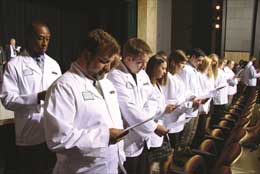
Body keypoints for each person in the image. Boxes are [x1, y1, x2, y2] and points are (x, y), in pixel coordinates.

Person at [44, 29, 127, 174]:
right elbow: (58, 139)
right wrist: (105, 136)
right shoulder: (64, 86)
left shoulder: (106, 84)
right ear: (87, 55)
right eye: (103, 62)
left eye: (110, 62)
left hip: (111, 165)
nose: (107, 68)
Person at [0, 21, 62, 174]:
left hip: (52, 133)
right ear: (28, 38)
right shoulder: (14, 65)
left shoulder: (54, 64)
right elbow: (7, 99)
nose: (45, 43)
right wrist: (37, 97)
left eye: (48, 39)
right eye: (41, 38)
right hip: (29, 134)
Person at [107, 38, 169, 174]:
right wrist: (152, 126)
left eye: (145, 62)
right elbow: (128, 109)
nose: (144, 66)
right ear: (128, 59)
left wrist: (145, 116)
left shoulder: (142, 75)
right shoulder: (115, 76)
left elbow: (153, 98)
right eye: (140, 62)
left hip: (143, 138)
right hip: (129, 141)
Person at [145, 55, 176, 174]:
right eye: (162, 68)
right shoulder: (146, 86)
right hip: (152, 128)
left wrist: (166, 109)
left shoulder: (157, 84)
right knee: (151, 162)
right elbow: (148, 112)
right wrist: (164, 110)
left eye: (165, 69)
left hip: (159, 125)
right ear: (153, 67)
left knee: (166, 157)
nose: (164, 72)